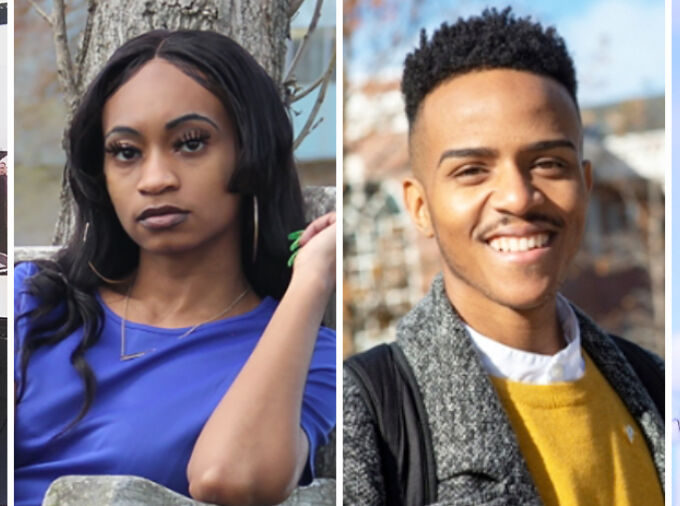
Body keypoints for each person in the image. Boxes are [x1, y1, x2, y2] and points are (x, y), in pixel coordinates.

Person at [343, 8, 663, 506]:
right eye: (472, 170)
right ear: (420, 207)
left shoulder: (655, 390)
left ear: (586, 184)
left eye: (549, 164)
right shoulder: (367, 419)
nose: (517, 197)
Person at [15, 30, 336, 506]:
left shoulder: (304, 349)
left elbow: (228, 479)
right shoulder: (32, 303)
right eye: (126, 152)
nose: (156, 179)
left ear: (253, 153)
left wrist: (313, 276)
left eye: (190, 143)